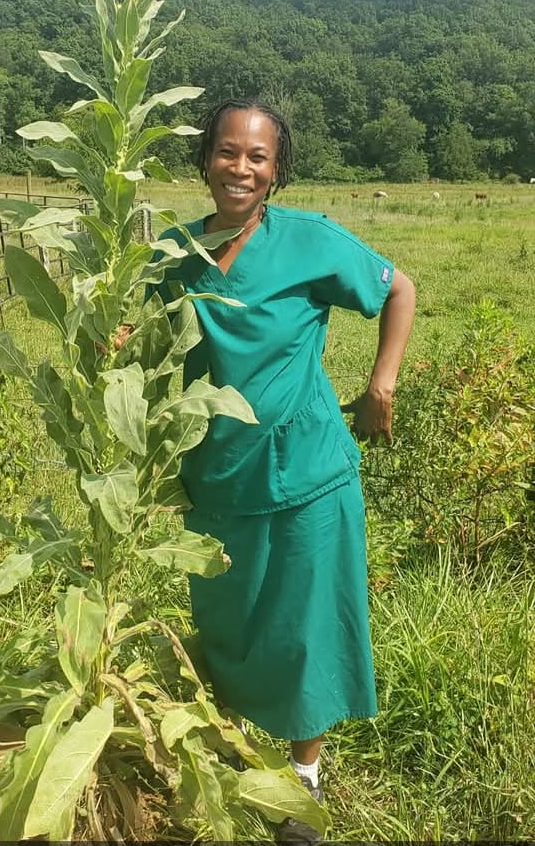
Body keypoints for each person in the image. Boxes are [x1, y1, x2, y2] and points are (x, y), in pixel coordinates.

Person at [152, 98, 416, 841]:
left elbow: (400, 288)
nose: (241, 167)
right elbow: (135, 340)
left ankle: (302, 777)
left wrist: (381, 385)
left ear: (277, 170)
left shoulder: (309, 241)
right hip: (219, 474)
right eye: (228, 151)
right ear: (205, 158)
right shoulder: (173, 254)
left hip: (307, 473)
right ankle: (235, 757)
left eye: (258, 157)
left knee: (305, 627)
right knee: (229, 621)